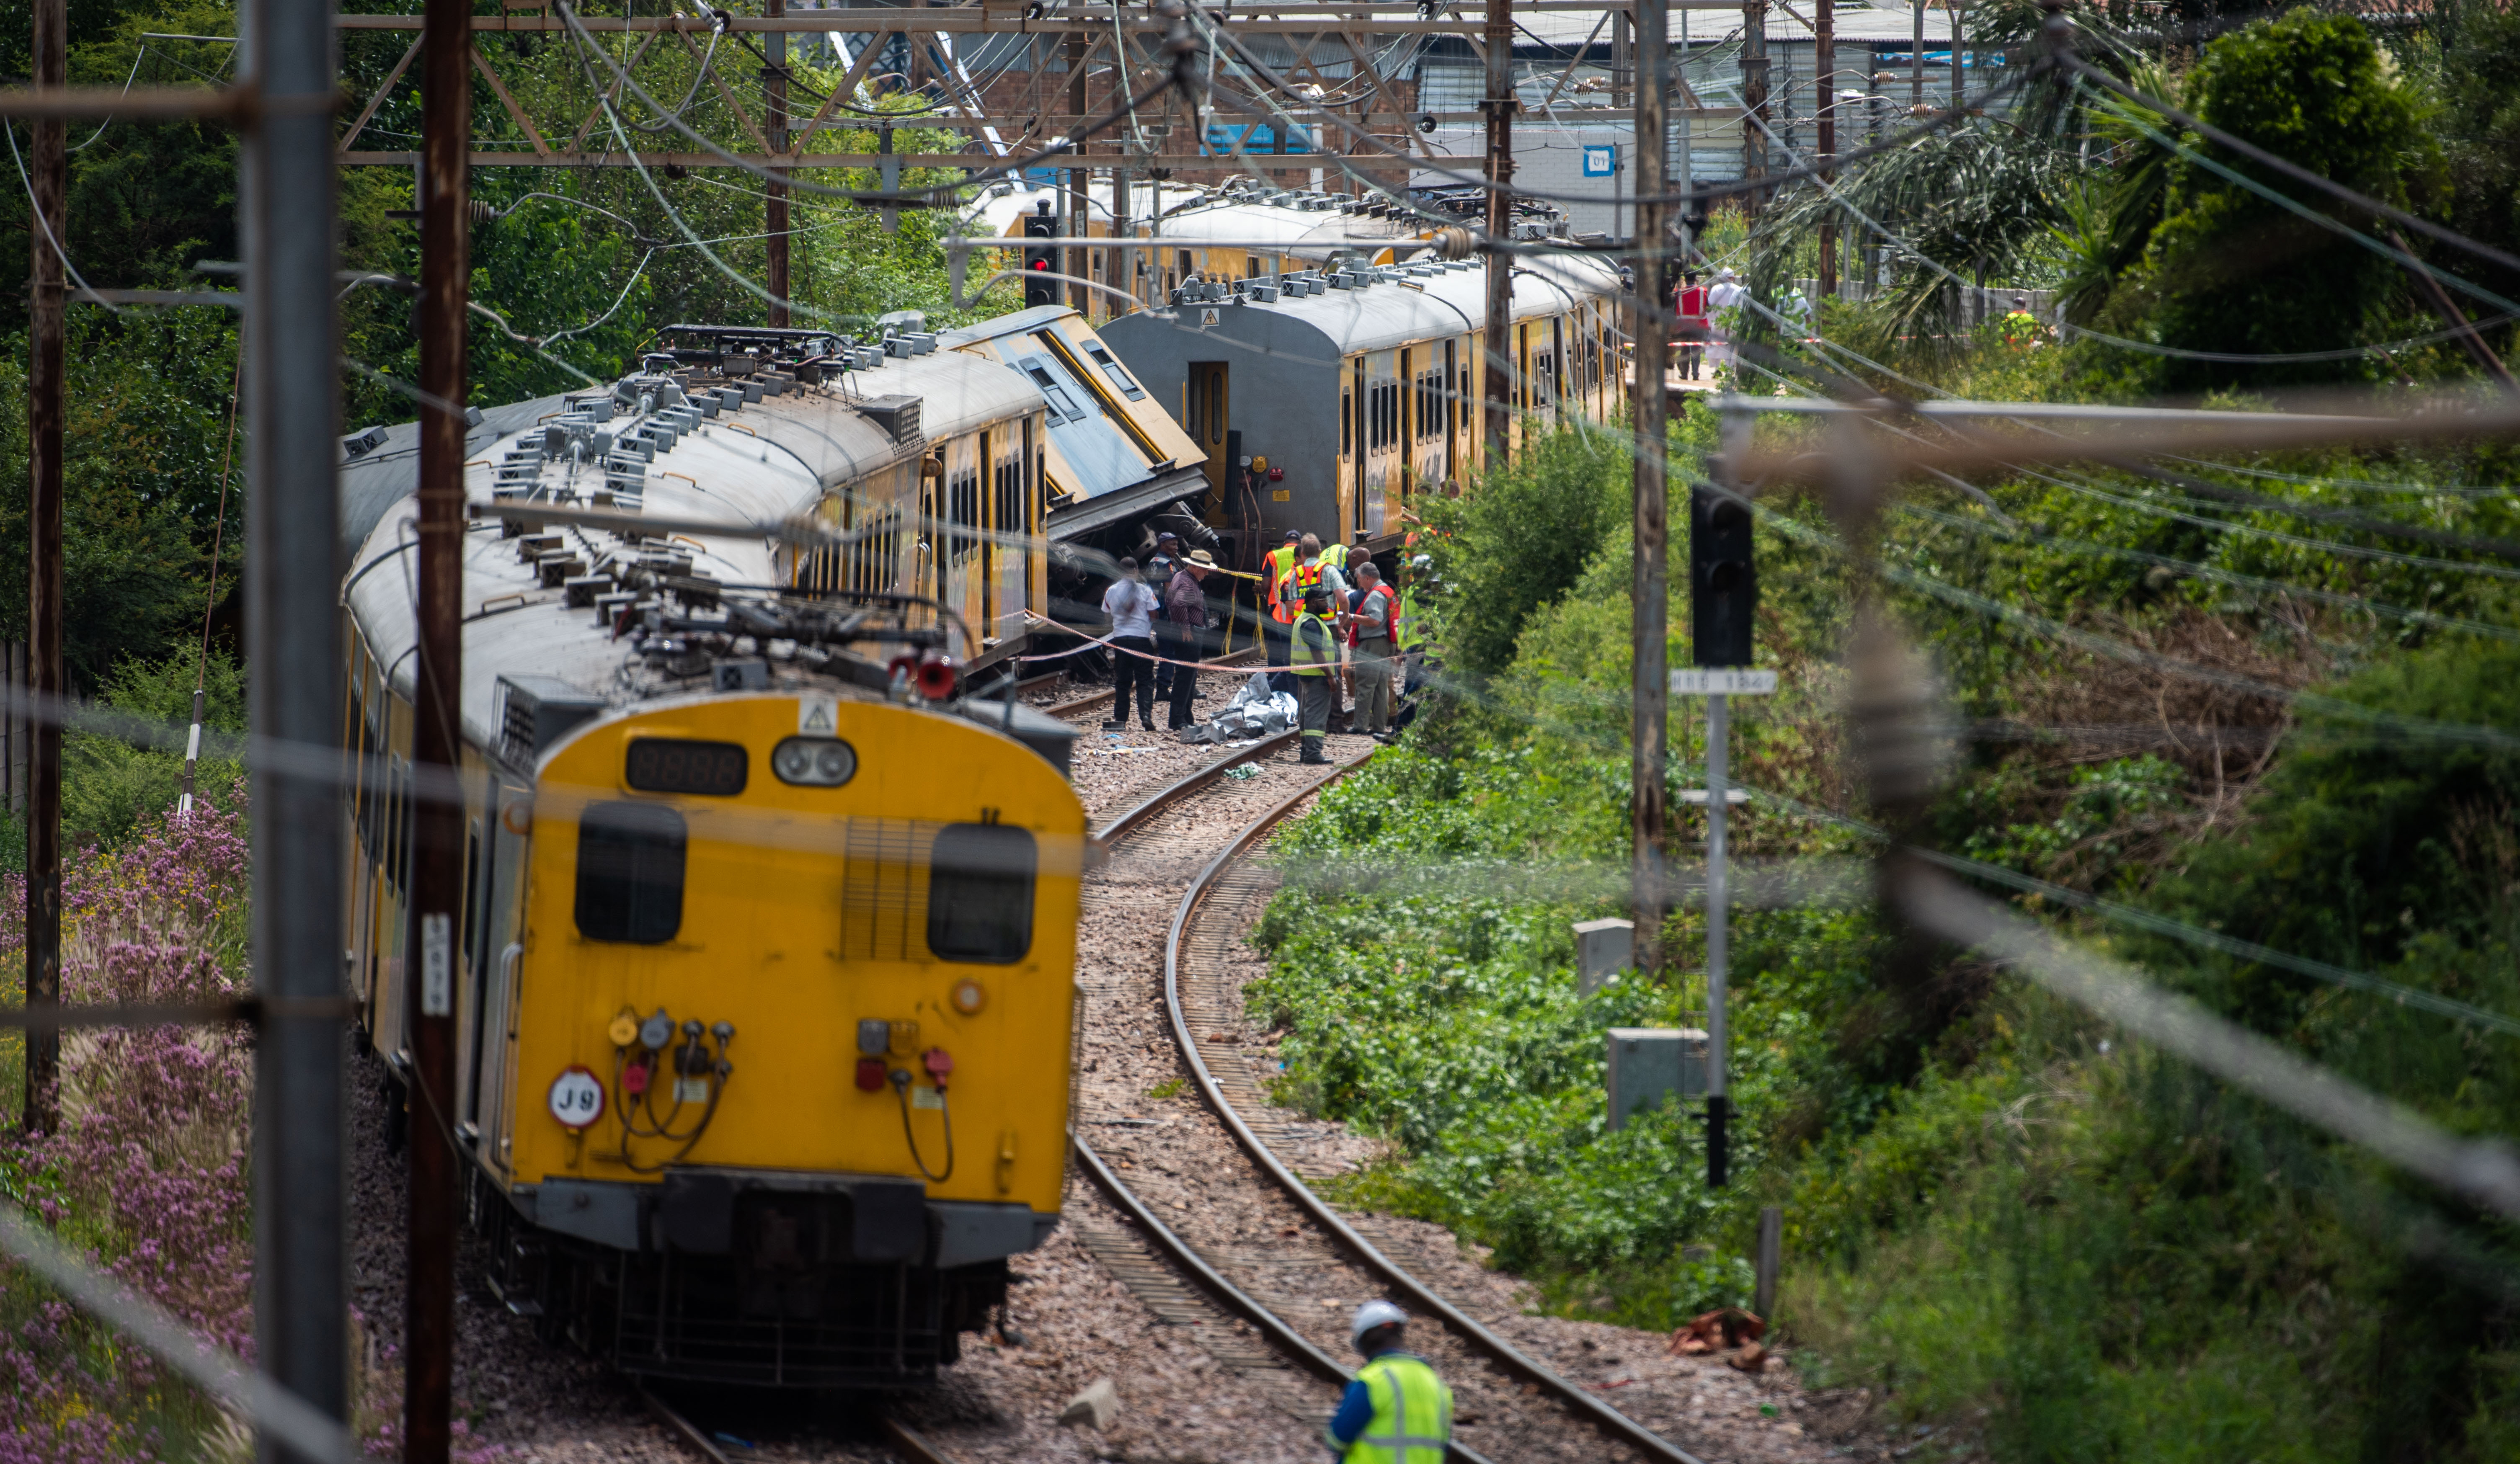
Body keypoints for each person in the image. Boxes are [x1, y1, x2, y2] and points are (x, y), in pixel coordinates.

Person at [1325, 1302, 1451, 1463]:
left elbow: (1337, 1439)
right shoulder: (1437, 1385)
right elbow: (1444, 1446)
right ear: (1400, 1334)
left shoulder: (1373, 1380)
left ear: (1364, 1343)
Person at [1100, 557, 1161, 732]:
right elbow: (1154, 615)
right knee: (1145, 680)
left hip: (1120, 641)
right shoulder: (1144, 590)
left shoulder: (1111, 591)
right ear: (1135, 571)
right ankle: (1146, 716)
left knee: (1123, 682)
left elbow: (1107, 614)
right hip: (1141, 640)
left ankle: (1120, 720)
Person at [1162, 549, 1214, 730]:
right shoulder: (1187, 582)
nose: (1207, 573)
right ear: (1194, 567)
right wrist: (1184, 627)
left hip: (1187, 632)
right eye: (1205, 569)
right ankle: (1178, 720)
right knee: (1186, 678)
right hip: (1190, 634)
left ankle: (1186, 717)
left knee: (1189, 678)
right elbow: (1178, 603)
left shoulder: (1181, 577)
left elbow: (1170, 599)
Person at [1348, 559, 1399, 739]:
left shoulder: (1376, 594)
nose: (1359, 584)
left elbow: (1375, 620)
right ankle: (1379, 726)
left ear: (1368, 578)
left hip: (1373, 644)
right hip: (1386, 644)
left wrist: (1352, 617)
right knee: (1381, 686)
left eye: (1360, 580)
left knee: (1365, 685)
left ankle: (1360, 725)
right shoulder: (1388, 591)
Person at [1290, 584, 1339, 764]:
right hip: (1317, 674)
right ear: (1312, 603)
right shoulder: (1311, 624)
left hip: (1306, 674)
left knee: (1307, 713)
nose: (1327, 603)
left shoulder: (1305, 620)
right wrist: (1330, 675)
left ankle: (1306, 752)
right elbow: (1317, 653)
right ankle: (1313, 753)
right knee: (1316, 715)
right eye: (1323, 600)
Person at [1147, 531, 1183, 702]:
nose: (1177, 548)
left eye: (1177, 544)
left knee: (1165, 650)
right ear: (1162, 545)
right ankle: (1163, 688)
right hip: (1167, 613)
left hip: (1156, 610)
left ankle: (1162, 686)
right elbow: (1170, 591)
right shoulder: (1168, 564)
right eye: (1173, 545)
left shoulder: (1153, 561)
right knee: (1171, 651)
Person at [1263, 529, 1303, 677]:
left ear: (1285, 542)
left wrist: (1272, 598)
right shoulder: (1303, 556)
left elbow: (1266, 585)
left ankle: (1275, 680)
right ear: (1299, 544)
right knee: (1292, 650)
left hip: (1277, 609)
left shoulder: (1273, 555)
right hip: (1298, 610)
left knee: (1275, 648)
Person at [1705, 266, 1747, 382]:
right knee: (1730, 349)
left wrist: (1710, 322)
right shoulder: (1738, 289)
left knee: (1717, 347)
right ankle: (1729, 372)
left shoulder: (1716, 289)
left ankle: (1717, 370)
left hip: (1718, 322)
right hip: (1734, 323)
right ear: (1733, 278)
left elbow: (1709, 307)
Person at [1675, 271, 1708, 381]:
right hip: (1698, 326)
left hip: (1683, 326)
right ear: (1695, 279)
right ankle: (1696, 374)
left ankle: (1684, 374)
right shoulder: (1703, 291)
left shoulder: (1679, 292)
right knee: (1696, 350)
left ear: (1685, 279)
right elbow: (1707, 306)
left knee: (1684, 350)